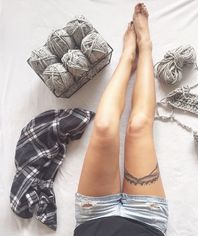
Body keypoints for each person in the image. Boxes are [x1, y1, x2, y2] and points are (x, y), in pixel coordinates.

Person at [74, 3, 168, 236]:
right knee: (137, 127)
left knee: (104, 127)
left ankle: (127, 57)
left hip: (94, 216)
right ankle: (145, 47)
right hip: (145, 219)